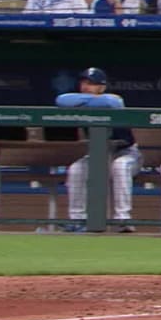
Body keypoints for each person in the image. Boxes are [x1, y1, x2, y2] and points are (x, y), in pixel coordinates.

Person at [55, 68, 141, 233]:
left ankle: (123, 220)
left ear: (102, 87)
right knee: (76, 170)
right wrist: (91, 100)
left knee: (120, 167)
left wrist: (83, 101)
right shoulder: (78, 100)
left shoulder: (114, 99)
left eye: (92, 84)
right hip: (98, 155)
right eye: (84, 83)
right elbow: (61, 100)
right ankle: (77, 219)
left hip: (126, 153)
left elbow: (111, 103)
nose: (86, 86)